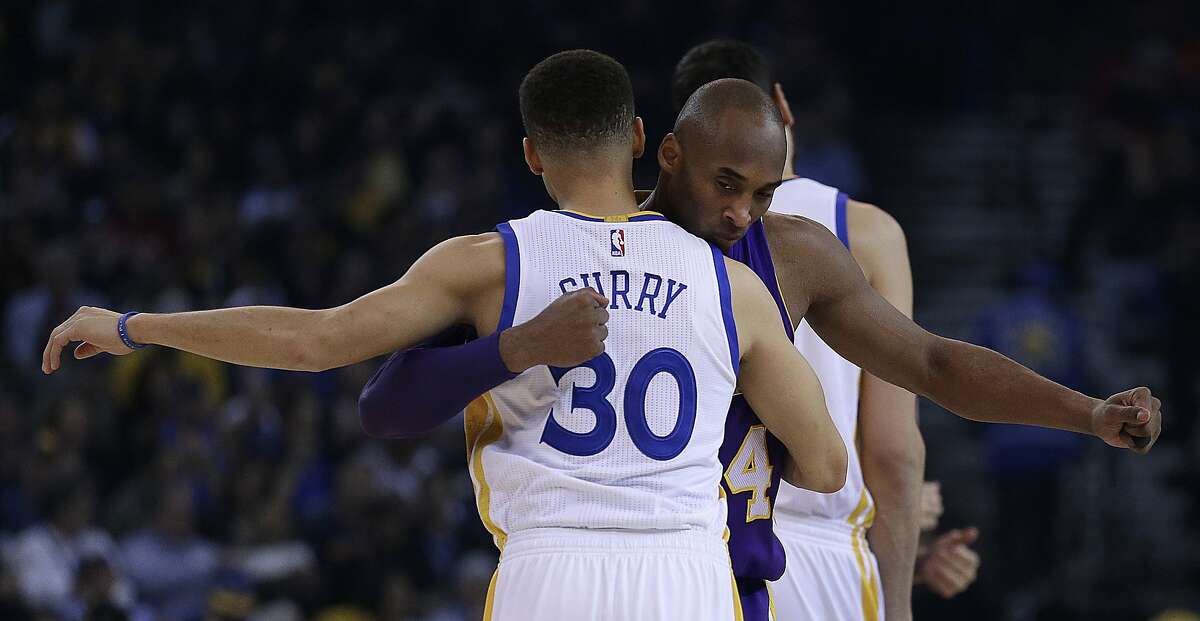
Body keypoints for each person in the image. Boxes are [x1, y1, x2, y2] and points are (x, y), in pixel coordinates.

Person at [355, 45, 1162, 621]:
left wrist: (1087, 412)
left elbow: (930, 363)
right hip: (659, 567)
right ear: (664, 153)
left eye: (766, 192)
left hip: (767, 561)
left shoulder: (795, 250)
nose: (743, 212)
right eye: (727, 184)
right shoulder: (583, 252)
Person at [41, 50, 848, 621]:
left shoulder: (487, 264)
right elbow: (825, 463)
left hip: (549, 569)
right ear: (639, 138)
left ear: (531, 154)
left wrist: (134, 326)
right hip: (686, 571)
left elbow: (313, 342)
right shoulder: (731, 285)